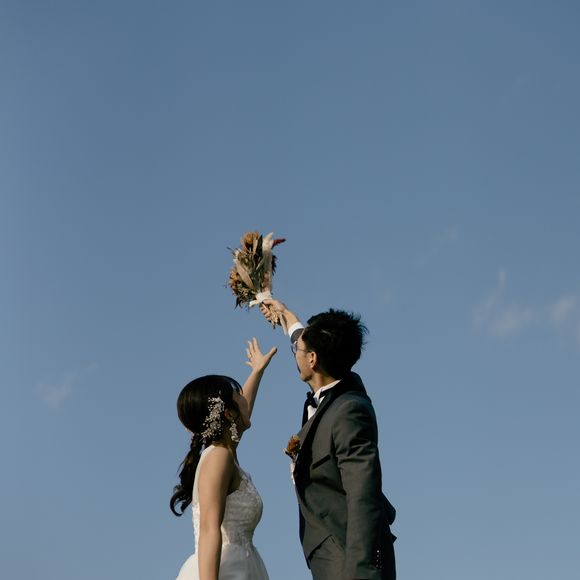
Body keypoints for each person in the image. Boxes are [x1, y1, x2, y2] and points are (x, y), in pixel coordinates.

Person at [260, 299, 396, 580]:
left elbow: (363, 496)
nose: (295, 353)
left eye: (297, 350)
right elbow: (302, 339)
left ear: (312, 359)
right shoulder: (332, 382)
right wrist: (286, 315)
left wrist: (361, 573)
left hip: (348, 563)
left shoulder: (349, 411)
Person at [171, 338, 277, 580]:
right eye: (238, 396)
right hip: (225, 570)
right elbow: (209, 529)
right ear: (228, 414)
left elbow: (242, 413)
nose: (244, 399)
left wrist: (257, 371)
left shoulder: (224, 451)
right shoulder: (219, 457)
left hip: (241, 566)